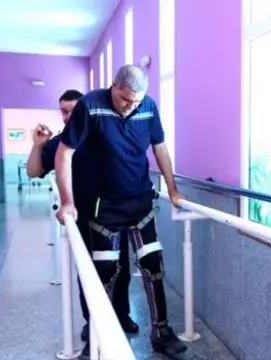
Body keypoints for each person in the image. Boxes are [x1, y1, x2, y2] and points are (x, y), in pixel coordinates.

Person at [54, 65, 187, 355]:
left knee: (153, 265)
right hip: (104, 207)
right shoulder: (90, 105)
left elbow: (160, 148)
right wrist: (68, 201)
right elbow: (64, 153)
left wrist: (173, 189)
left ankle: (161, 331)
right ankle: (97, 337)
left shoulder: (148, 107)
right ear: (114, 85)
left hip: (140, 202)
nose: (130, 107)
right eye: (126, 100)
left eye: (136, 101)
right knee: (103, 271)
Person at [25, 89, 139, 351]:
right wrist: (39, 144)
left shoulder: (104, 133)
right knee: (90, 274)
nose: (68, 116)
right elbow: (33, 171)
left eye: (74, 110)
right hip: (83, 220)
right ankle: (93, 323)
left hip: (112, 217)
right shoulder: (62, 141)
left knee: (121, 268)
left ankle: (121, 314)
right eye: (64, 111)